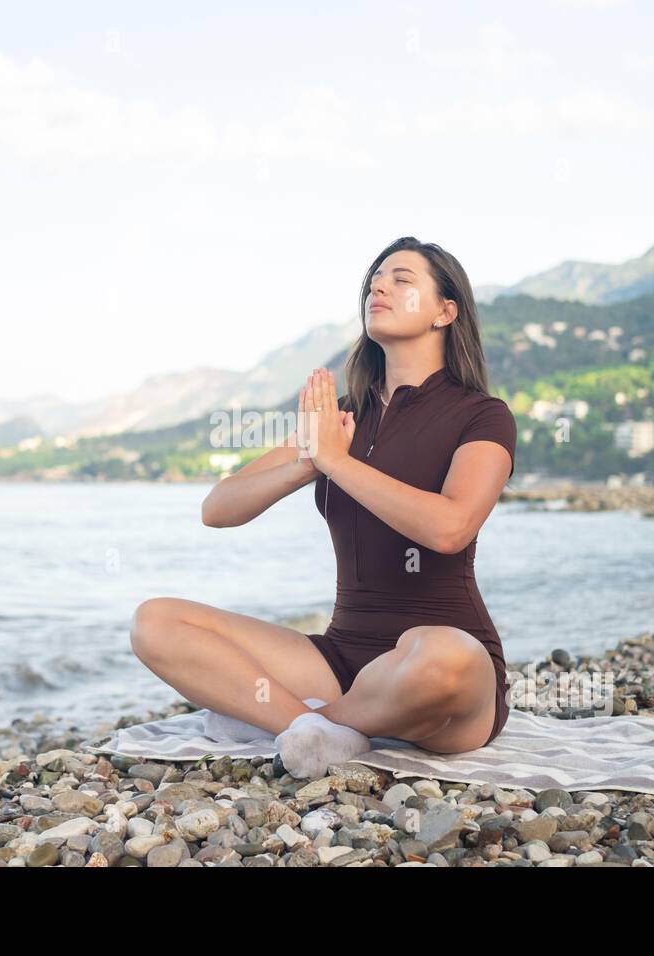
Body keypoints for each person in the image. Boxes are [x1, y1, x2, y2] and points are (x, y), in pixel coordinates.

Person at [129, 237, 517, 777]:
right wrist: (308, 463)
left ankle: (303, 723)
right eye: (375, 279)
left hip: (445, 665)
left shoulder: (483, 416)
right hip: (338, 661)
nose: (379, 286)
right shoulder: (339, 420)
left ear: (444, 312)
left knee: (442, 656)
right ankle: (311, 729)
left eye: (402, 279)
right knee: (156, 621)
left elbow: (450, 527)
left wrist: (337, 463)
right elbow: (217, 508)